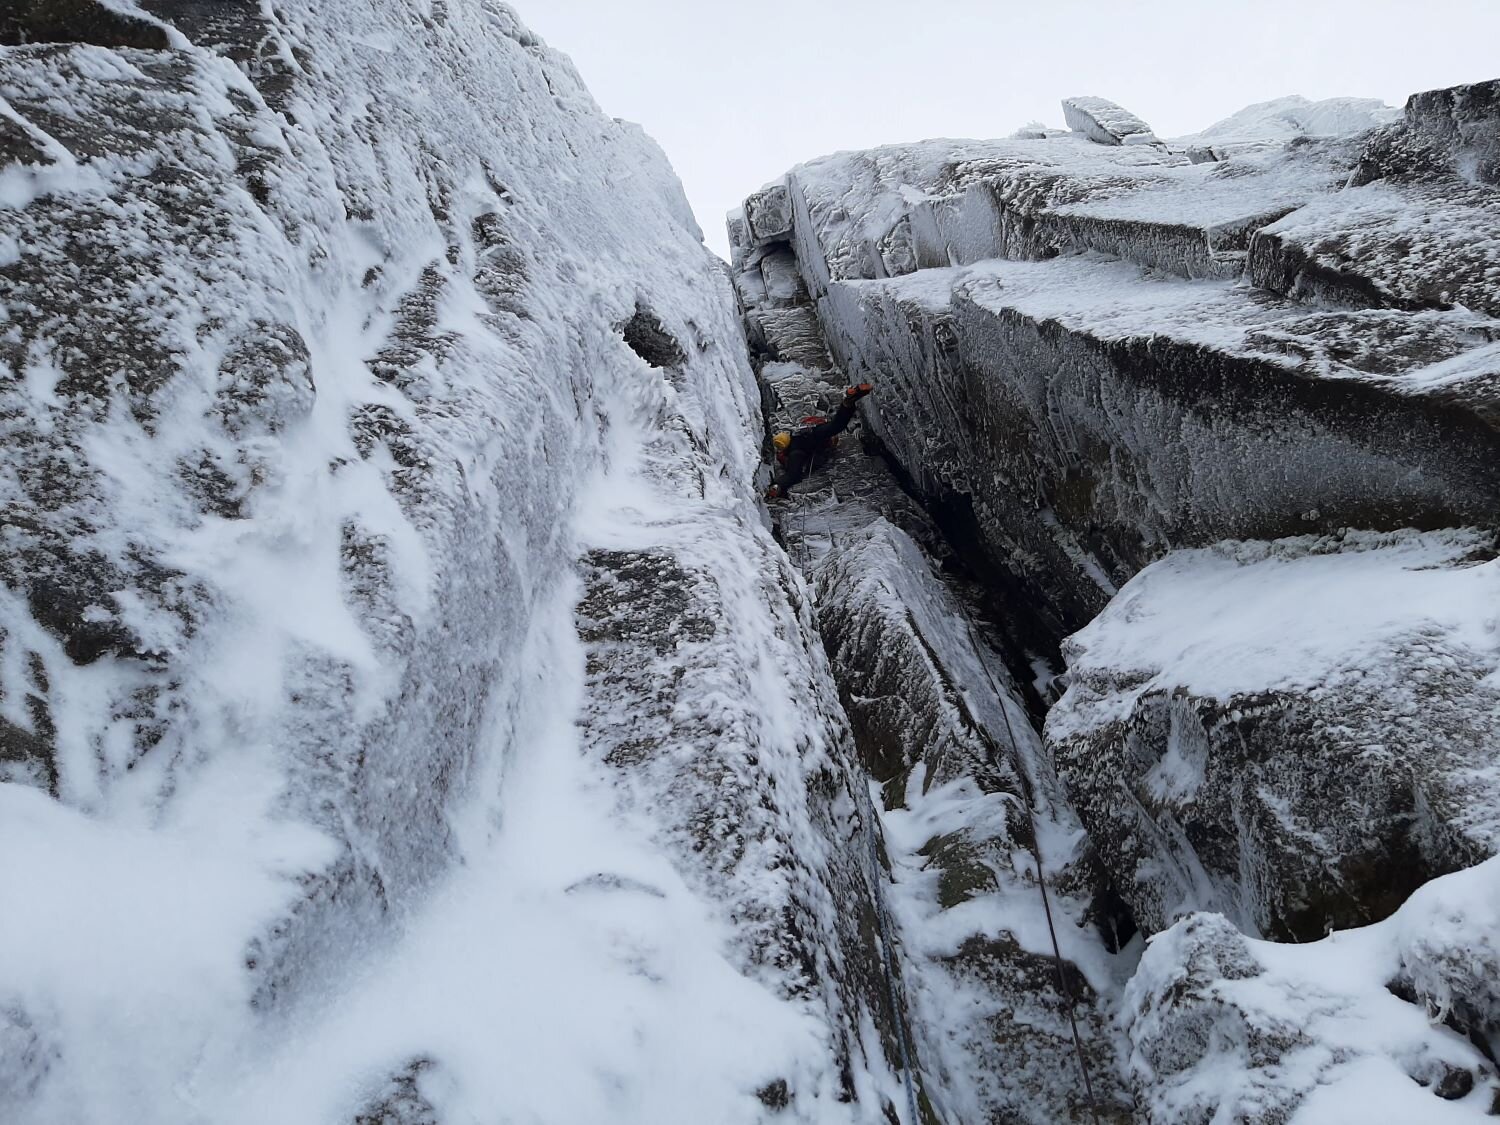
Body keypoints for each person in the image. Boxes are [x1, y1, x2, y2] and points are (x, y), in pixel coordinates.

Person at [765, 383, 874, 500]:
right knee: (835, 426)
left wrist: (779, 484)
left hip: (807, 442)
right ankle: (847, 403)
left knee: (836, 427)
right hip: (811, 431)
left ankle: (848, 402)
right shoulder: (802, 435)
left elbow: (792, 474)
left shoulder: (796, 453)